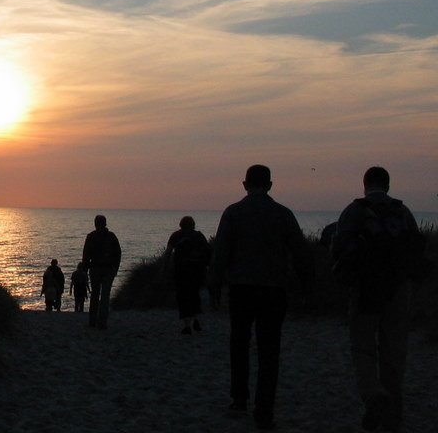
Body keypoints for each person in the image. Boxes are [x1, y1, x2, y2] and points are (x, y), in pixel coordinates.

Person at [208, 165, 313, 431]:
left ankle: (239, 399)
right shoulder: (283, 214)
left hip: (241, 288)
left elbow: (220, 253)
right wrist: (307, 286)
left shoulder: (233, 213)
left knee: (239, 343)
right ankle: (264, 409)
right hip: (273, 290)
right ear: (270, 185)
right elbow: (300, 253)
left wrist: (214, 286)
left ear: (245, 184)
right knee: (269, 349)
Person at [331, 166, 426, 432]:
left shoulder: (354, 211)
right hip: (398, 289)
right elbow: (415, 251)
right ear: (387, 184)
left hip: (365, 289)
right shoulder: (402, 212)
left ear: (365, 185)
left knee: (362, 347)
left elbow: (339, 249)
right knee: (394, 350)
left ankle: (373, 394)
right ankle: (393, 412)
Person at [166, 215, 210, 334]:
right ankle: (196, 319)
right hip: (197, 271)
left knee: (182, 297)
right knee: (194, 295)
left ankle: (187, 325)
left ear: (181, 224)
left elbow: (168, 252)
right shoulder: (199, 236)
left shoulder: (176, 236)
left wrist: (164, 268)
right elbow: (207, 252)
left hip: (181, 271)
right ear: (193, 225)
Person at [82, 215, 121, 329]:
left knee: (95, 295)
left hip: (97, 269)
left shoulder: (92, 236)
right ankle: (101, 323)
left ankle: (93, 321)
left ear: (95, 223)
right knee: (104, 296)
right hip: (106, 270)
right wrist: (115, 269)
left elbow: (85, 255)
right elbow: (118, 254)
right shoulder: (111, 236)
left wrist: (85, 270)